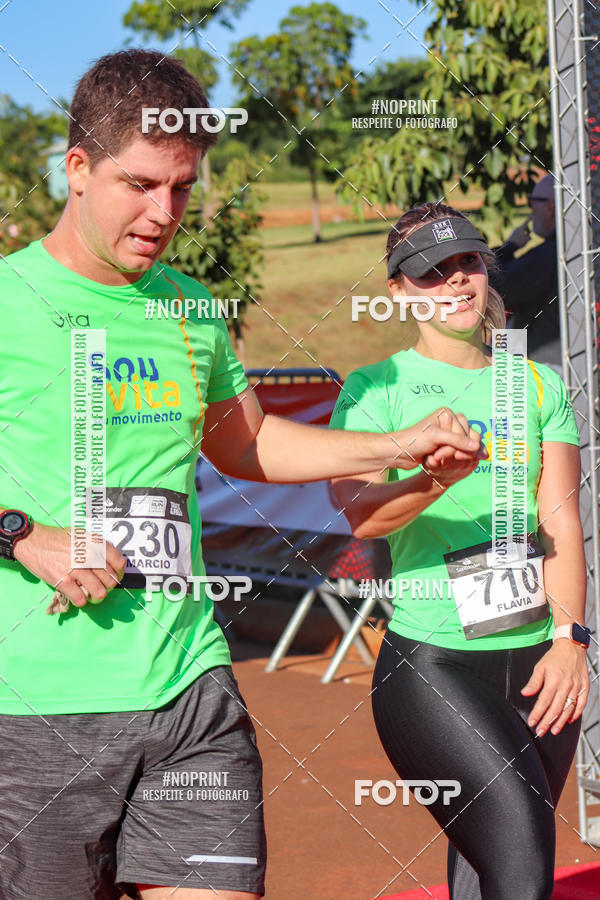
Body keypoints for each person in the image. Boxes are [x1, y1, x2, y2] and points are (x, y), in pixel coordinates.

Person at [0, 52, 483, 900]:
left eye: (182, 189)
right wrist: (22, 533)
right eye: (140, 184)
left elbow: (252, 448)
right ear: (76, 168)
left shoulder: (189, 308)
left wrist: (397, 444)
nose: (164, 214)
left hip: (190, 688)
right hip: (33, 711)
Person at [330, 202, 589, 899]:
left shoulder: (537, 385)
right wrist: (434, 477)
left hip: (541, 665)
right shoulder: (374, 390)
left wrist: (571, 639)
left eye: (468, 263)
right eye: (431, 271)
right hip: (434, 668)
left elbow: (561, 521)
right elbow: (361, 517)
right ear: (398, 291)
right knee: (522, 860)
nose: (457, 282)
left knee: (483, 866)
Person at [491, 173, 560, 366]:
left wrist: (510, 246)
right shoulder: (565, 250)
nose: (530, 212)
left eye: (532, 202)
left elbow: (491, 286)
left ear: (550, 207)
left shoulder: (547, 255)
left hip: (544, 366)